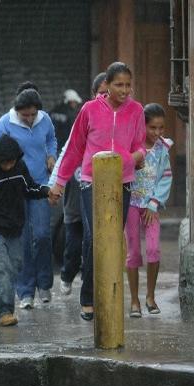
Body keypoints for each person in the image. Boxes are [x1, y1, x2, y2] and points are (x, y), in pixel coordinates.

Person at [49, 62, 146, 321]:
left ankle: (110, 292)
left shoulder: (136, 111)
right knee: (94, 237)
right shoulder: (89, 110)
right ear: (108, 86)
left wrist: (133, 156)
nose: (124, 90)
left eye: (128, 85)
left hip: (122, 183)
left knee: (114, 238)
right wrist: (58, 182)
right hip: (91, 182)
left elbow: (140, 146)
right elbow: (74, 149)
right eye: (118, 85)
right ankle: (89, 296)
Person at [0, 83, 57, 309]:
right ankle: (26, 290)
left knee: (41, 235)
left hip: (39, 185)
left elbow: (51, 139)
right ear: (17, 110)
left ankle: (45, 283)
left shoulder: (45, 120)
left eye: (33, 114)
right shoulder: (4, 124)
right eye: (25, 115)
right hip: (16, 189)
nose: (30, 118)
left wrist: (51, 155)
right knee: (22, 240)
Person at [0, 135, 50, 326]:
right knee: (0, 269)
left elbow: (29, 188)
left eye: (12, 161)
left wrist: (45, 191)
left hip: (15, 228)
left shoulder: (19, 168)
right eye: (5, 162)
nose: (9, 165)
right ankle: (3, 311)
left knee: (14, 267)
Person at [49, 73, 109, 296]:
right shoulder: (84, 115)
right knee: (77, 233)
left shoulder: (120, 117)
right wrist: (56, 183)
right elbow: (68, 150)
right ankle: (70, 275)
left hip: (106, 188)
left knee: (94, 236)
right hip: (79, 185)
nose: (107, 98)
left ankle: (90, 280)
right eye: (102, 93)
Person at [125, 103, 173, 317]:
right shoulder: (132, 146)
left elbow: (165, 178)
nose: (157, 132)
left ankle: (150, 297)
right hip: (132, 206)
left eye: (161, 128)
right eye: (152, 128)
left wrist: (154, 203)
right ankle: (134, 300)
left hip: (151, 207)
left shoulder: (163, 149)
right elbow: (123, 170)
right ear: (142, 126)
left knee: (153, 250)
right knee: (133, 252)